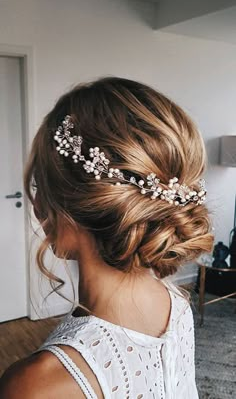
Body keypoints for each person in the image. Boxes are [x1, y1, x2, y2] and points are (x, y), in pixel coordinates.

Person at [0, 77, 213, 398]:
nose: (37, 203)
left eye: (40, 185)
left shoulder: (37, 385)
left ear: (72, 201)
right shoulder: (177, 305)